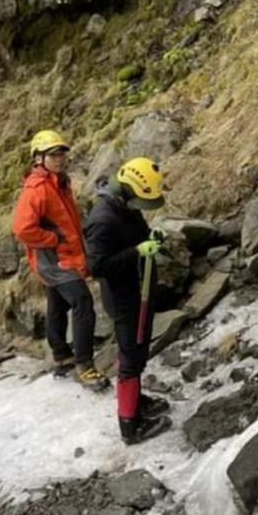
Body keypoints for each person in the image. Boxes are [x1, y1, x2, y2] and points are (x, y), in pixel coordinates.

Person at [12, 130, 109, 390]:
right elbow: (22, 229)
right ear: (38, 158)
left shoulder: (58, 181)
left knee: (57, 302)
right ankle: (84, 366)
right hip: (54, 259)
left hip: (61, 256)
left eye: (61, 153)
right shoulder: (37, 189)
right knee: (82, 302)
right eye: (53, 154)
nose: (59, 158)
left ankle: (61, 354)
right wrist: (53, 241)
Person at [85, 157, 172, 445]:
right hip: (122, 296)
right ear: (128, 190)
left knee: (139, 348)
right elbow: (97, 266)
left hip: (139, 287)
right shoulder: (102, 219)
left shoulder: (125, 206)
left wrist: (151, 239)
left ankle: (135, 399)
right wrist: (137, 251)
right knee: (130, 357)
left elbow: (138, 233)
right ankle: (130, 426)